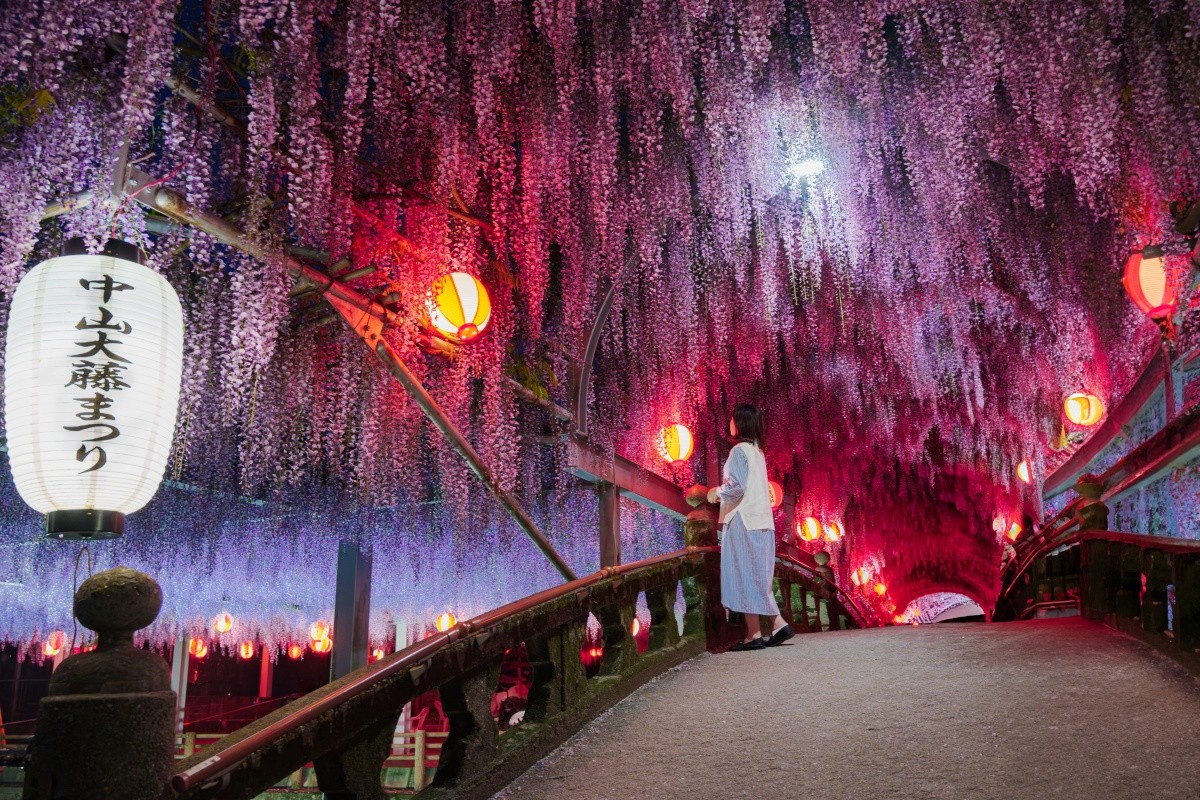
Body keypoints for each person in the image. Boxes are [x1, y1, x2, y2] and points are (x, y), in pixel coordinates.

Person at [707, 404, 794, 651]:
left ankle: (770, 627)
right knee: (756, 576)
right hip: (763, 523)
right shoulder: (757, 452)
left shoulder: (738, 452)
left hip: (744, 522)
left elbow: (737, 487)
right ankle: (759, 632)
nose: (730, 423)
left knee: (745, 575)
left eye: (733, 419)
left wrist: (716, 492)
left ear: (740, 423)